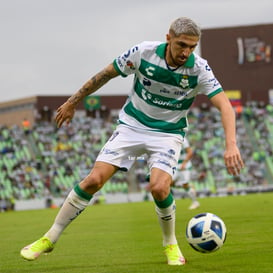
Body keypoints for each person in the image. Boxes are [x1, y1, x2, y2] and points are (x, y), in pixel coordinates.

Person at [20, 17, 244, 266]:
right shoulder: (143, 53)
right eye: (182, 45)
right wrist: (73, 102)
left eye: (192, 47)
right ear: (168, 38)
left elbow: (225, 105)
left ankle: (170, 243)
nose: (186, 52)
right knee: (94, 179)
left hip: (168, 134)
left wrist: (231, 144)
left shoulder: (199, 68)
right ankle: (50, 237)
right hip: (131, 127)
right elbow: (105, 74)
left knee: (159, 188)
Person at [172, 137, 200, 210]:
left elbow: (190, 152)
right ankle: (189, 186)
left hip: (184, 166)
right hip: (175, 165)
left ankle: (195, 202)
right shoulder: (169, 138)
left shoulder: (182, 138)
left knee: (184, 183)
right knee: (169, 183)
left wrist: (184, 163)